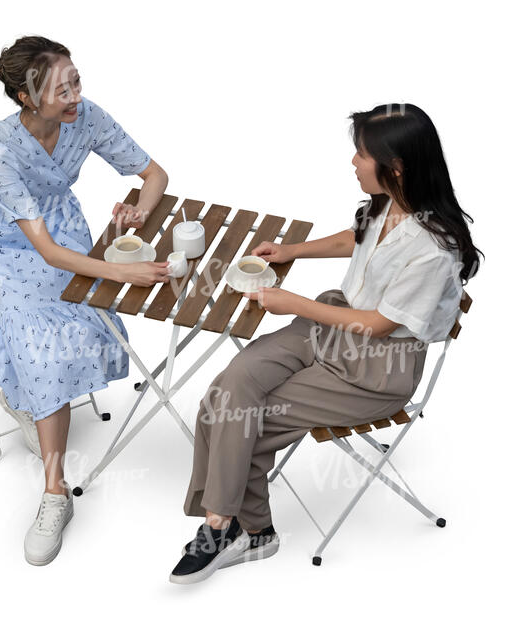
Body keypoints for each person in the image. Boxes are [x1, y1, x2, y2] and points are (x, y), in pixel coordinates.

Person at [169, 102, 484, 584]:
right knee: (225, 392)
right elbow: (356, 237)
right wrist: (293, 249)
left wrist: (292, 302)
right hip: (333, 323)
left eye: (361, 155)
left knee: (240, 420)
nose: (353, 163)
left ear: (394, 166)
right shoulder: (389, 201)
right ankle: (232, 522)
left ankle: (240, 529)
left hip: (376, 366)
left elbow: (379, 325)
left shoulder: (433, 248)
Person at [0, 35, 171, 566]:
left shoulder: (85, 116)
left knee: (82, 323)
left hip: (62, 232)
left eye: (76, 79)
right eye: (62, 88)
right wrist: (128, 270)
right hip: (7, 248)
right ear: (26, 98)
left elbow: (154, 175)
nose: (76, 94)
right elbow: (47, 254)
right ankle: (55, 492)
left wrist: (138, 216)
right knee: (42, 340)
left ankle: (27, 400)